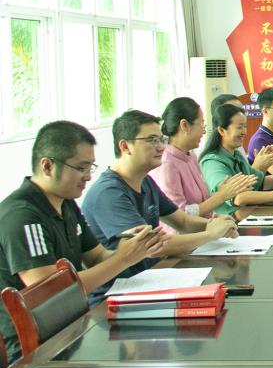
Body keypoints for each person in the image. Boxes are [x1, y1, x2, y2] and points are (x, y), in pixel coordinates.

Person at [0, 121, 166, 361]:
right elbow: (50, 292)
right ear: (47, 166)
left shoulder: (66, 203)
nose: (88, 177)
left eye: (90, 167)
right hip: (36, 349)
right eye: (81, 168)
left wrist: (137, 248)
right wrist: (123, 259)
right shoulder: (23, 216)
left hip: (74, 328)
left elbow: (97, 256)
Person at [81, 110, 240, 298]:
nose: (161, 147)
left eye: (161, 140)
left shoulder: (145, 181)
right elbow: (152, 245)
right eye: (152, 140)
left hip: (150, 280)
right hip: (119, 294)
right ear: (125, 146)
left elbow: (183, 222)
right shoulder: (109, 193)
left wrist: (219, 224)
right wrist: (210, 234)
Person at [200, 103, 273, 217]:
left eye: (245, 126)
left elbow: (258, 182)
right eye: (239, 127)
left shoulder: (236, 154)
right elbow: (239, 198)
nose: (244, 132)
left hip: (247, 215)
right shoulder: (212, 163)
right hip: (230, 221)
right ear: (221, 130)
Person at [151, 97, 257, 217]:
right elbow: (180, 216)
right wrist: (222, 196)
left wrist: (218, 217)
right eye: (201, 124)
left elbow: (203, 203)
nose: (204, 131)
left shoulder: (191, 156)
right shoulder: (167, 164)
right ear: (184, 125)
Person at [210, 93, 273, 172]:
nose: (240, 114)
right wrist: (258, 166)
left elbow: (248, 177)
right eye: (234, 111)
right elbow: (243, 179)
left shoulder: (237, 147)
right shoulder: (212, 158)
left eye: (242, 111)